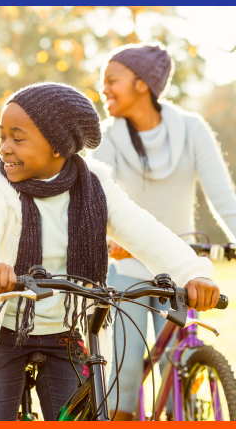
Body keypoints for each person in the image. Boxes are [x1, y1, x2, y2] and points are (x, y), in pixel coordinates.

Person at [0, 82, 221, 422]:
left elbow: (146, 232)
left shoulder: (96, 186)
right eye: (2, 136)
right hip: (1, 334)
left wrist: (193, 273)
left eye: (17, 138)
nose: (4, 148)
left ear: (58, 146)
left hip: (68, 332)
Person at [92, 42, 236, 420]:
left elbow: (223, 198)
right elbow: (99, 200)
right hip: (125, 269)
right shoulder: (105, 137)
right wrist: (109, 241)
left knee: (181, 365)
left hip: (180, 266)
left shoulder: (191, 129)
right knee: (123, 379)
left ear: (142, 84)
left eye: (112, 80)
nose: (102, 88)